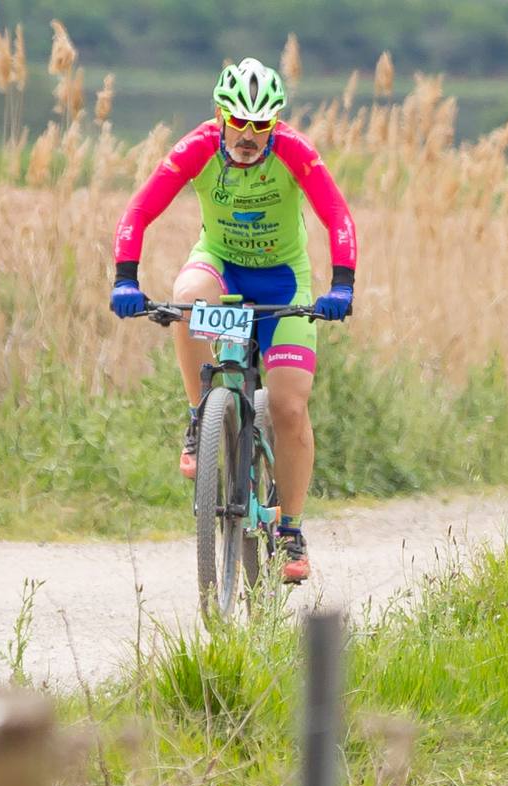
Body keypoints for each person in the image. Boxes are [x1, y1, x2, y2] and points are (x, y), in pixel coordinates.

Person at [108, 58, 359, 583]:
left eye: (260, 125)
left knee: (289, 406)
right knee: (185, 298)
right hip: (220, 267)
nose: (247, 136)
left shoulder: (295, 152)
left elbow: (337, 216)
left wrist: (342, 285)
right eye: (238, 123)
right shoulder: (196, 147)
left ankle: (289, 529)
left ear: (275, 124)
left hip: (283, 283)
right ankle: (202, 416)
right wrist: (126, 279)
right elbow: (138, 211)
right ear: (220, 116)